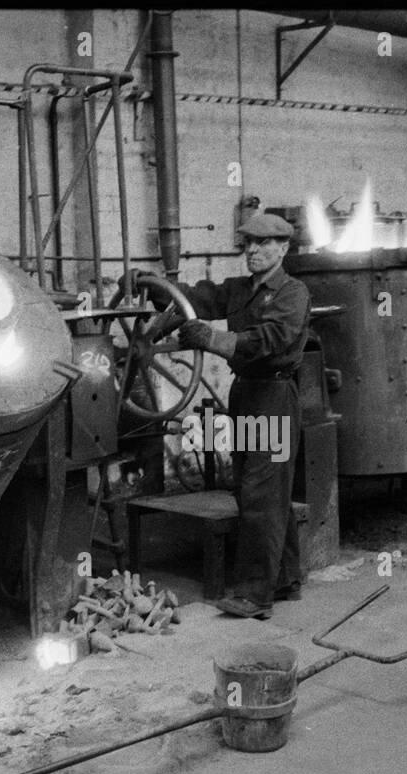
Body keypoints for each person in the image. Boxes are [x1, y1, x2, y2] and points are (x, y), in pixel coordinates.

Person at [122, 212, 310, 619]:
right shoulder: (240, 289)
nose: (253, 251)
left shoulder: (291, 293)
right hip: (245, 392)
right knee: (251, 487)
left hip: (273, 394)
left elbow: (270, 339)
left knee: (263, 492)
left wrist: (212, 338)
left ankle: (254, 596)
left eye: (262, 244)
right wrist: (150, 284)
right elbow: (196, 298)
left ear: (284, 249)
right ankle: (284, 579)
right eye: (248, 245)